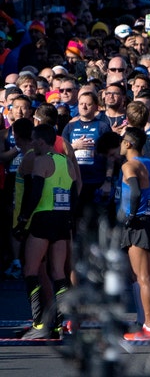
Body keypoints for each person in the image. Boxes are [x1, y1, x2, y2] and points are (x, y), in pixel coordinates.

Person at [14, 124, 76, 340]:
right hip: (62, 220)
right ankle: (59, 324)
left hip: (42, 218)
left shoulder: (41, 161)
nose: (31, 144)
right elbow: (74, 192)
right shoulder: (67, 162)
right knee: (58, 272)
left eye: (33, 141)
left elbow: (36, 192)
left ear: (41, 142)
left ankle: (39, 324)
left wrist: (23, 220)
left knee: (31, 271)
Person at [118, 127, 150, 342]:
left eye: (122, 140)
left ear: (128, 144)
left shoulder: (129, 165)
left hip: (139, 224)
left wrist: (130, 217)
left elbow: (135, 191)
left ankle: (149, 325)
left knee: (142, 277)